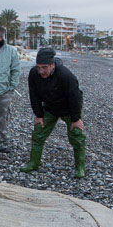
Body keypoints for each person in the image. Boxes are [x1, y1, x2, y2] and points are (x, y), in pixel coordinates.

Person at [20, 47, 87, 178]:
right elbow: (33, 95)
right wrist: (38, 115)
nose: (41, 71)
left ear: (52, 64)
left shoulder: (65, 75)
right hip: (50, 108)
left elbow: (75, 97)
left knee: (77, 136)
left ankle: (80, 167)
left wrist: (76, 119)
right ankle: (33, 163)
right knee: (38, 133)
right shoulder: (34, 74)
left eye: (44, 67)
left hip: (69, 109)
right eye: (38, 67)